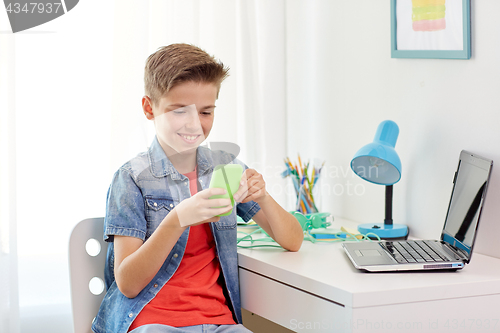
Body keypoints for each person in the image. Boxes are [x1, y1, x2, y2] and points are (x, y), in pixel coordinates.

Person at [92, 43, 304, 333]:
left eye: (206, 112)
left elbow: (292, 240)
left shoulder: (225, 169)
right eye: (180, 111)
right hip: (152, 322)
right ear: (149, 108)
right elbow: (128, 284)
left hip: (218, 322)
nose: (194, 124)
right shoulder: (131, 178)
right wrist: (178, 218)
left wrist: (263, 197)